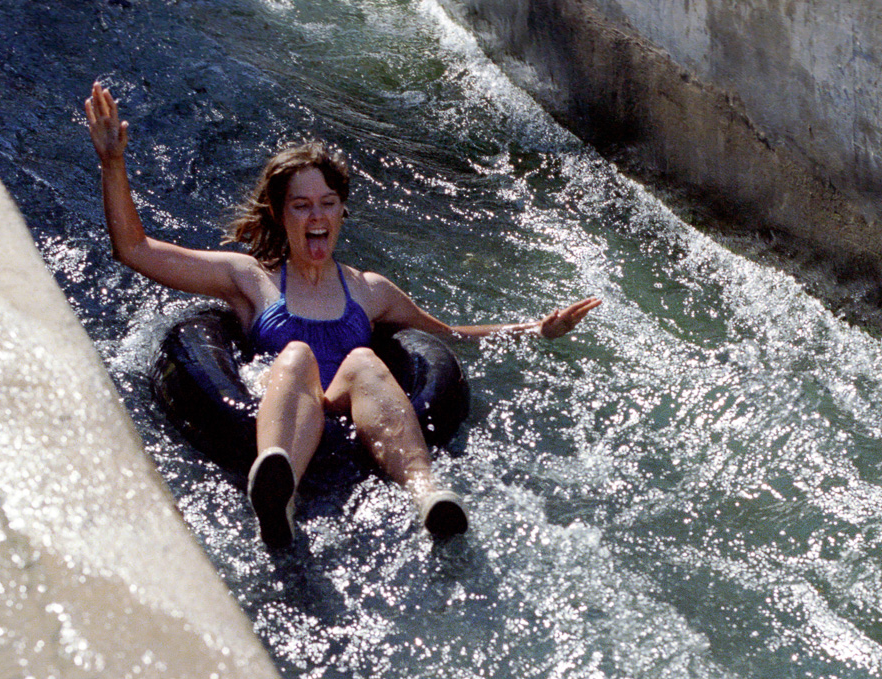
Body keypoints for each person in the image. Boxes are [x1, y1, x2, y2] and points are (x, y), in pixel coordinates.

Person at [84, 82, 600, 547]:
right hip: (285, 401)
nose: (316, 217)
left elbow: (450, 336)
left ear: (340, 212)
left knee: (364, 362)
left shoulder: (369, 291)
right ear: (280, 214)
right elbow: (135, 250)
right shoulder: (250, 278)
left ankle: (429, 496)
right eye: (302, 205)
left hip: (348, 409)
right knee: (298, 354)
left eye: (327, 204)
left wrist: (537, 330)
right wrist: (113, 163)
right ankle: (277, 492)